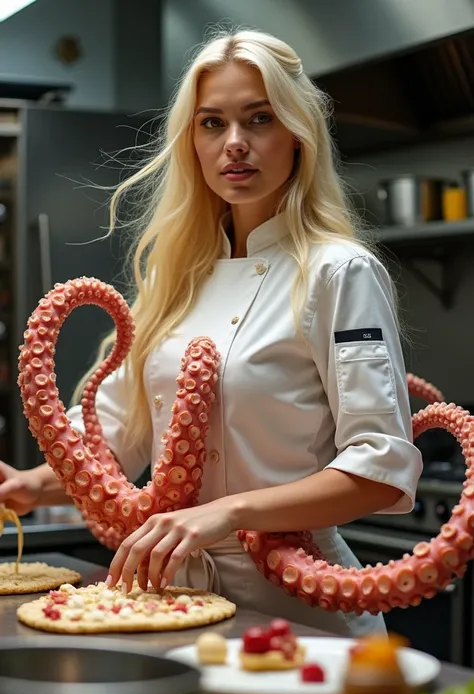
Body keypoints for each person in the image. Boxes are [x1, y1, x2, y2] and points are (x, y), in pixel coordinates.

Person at [0, 28, 422, 637]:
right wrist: (27, 487)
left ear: (298, 135)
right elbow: (118, 433)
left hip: (305, 609)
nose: (235, 145)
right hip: (174, 604)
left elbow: (382, 467)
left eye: (259, 119)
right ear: (190, 142)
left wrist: (228, 512)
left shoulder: (339, 272)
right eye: (212, 124)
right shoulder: (176, 278)